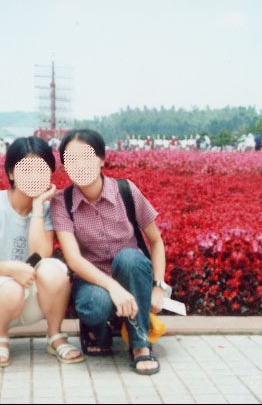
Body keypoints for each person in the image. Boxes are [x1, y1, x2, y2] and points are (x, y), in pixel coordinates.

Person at [50, 129, 167, 376]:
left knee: (129, 257)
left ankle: (140, 344)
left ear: (102, 159)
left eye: (86, 157)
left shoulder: (126, 191)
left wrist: (159, 287)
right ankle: (98, 328)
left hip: (132, 274)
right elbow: (74, 260)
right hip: (93, 282)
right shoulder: (62, 203)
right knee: (94, 304)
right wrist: (113, 288)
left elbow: (156, 242)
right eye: (71, 159)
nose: (79, 165)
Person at [0, 136, 84, 368]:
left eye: (41, 170)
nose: (35, 177)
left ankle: (55, 335)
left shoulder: (48, 208)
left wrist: (38, 207)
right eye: (27, 170)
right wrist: (11, 269)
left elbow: (40, 255)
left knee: (54, 270)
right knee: (11, 287)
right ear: (11, 173)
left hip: (32, 300)